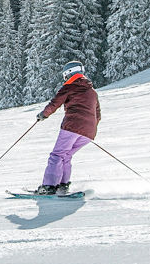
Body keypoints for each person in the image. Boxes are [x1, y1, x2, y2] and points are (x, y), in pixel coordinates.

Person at [34, 60, 101, 195]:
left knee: (57, 155)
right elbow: (98, 115)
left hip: (72, 127)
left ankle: (49, 186)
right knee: (67, 155)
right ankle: (62, 185)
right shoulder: (92, 91)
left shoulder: (69, 87)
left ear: (68, 74)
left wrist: (43, 115)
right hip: (89, 131)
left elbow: (55, 103)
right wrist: (87, 128)